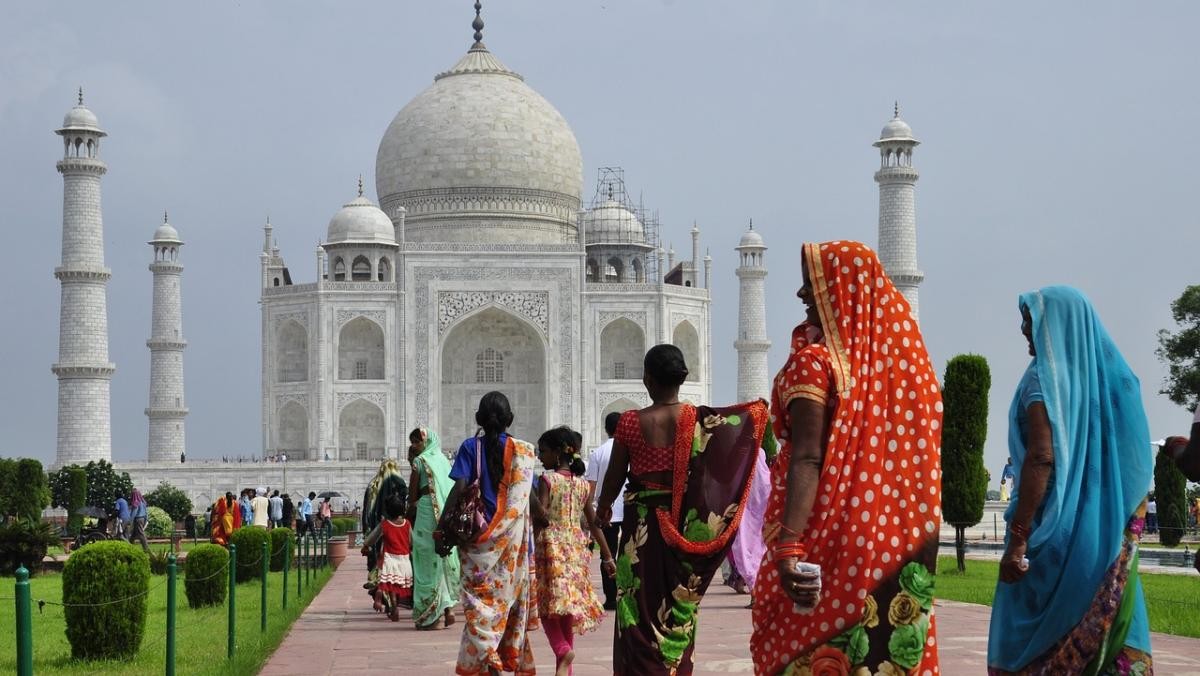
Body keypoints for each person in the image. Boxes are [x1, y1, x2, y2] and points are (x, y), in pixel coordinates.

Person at [750, 241, 943, 675]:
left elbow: (807, 458)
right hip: (893, 542)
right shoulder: (902, 369)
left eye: (812, 284)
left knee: (805, 651)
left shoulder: (815, 363)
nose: (802, 294)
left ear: (841, 291)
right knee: (881, 655)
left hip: (825, 534)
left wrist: (788, 545)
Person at [987, 286, 1154, 674]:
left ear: (1058, 325)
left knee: (1029, 642)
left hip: (1055, 537)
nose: (1025, 330)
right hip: (1105, 537)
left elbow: (1041, 457)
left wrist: (1018, 539)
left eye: (1032, 321)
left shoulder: (1042, 382)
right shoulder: (1111, 380)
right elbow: (1133, 460)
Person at [596, 344, 767, 675]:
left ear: (647, 379)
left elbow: (615, 477)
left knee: (636, 608)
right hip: (681, 529)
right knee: (677, 608)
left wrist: (604, 506)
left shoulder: (630, 422)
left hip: (640, 534)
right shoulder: (698, 421)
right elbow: (736, 438)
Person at [437, 391, 539, 675]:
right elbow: (530, 501)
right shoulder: (524, 452)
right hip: (511, 548)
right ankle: (497, 654)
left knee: (477, 605)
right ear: (510, 419)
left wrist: (442, 527)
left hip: (476, 544)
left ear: (479, 418)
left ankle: (487, 655)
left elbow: (458, 489)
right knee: (504, 604)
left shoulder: (471, 447)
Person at [536, 426, 615, 675]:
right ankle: (565, 671)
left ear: (558, 453)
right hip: (576, 550)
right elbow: (593, 523)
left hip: (552, 548)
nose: (540, 457)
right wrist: (607, 555)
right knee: (567, 610)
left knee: (547, 607)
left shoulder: (548, 480)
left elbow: (543, 516)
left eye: (544, 451)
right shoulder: (582, 485)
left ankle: (561, 649)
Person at [405, 427, 459, 630]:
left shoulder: (419, 462)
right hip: (444, 515)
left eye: (417, 442)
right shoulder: (444, 461)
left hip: (427, 512)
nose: (415, 446)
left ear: (426, 442)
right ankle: (449, 609)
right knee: (441, 558)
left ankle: (432, 617)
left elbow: (412, 496)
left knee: (425, 561)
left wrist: (408, 512)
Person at [585, 411, 625, 611]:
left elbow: (590, 487)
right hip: (630, 509)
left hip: (605, 511)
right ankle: (628, 596)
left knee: (608, 555)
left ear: (606, 429)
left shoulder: (598, 453)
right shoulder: (631, 450)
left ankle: (611, 598)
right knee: (630, 554)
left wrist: (591, 512)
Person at [361, 493, 414, 621]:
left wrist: (366, 546)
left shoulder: (385, 524)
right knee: (398, 584)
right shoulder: (407, 524)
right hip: (404, 559)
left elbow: (372, 538)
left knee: (390, 585)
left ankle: (394, 606)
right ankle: (395, 605)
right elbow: (412, 541)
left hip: (389, 558)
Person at [363, 459, 409, 607]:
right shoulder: (400, 483)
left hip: (378, 527)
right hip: (399, 528)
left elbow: (366, 511)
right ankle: (392, 597)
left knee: (381, 565)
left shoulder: (374, 485)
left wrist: (366, 540)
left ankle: (378, 589)